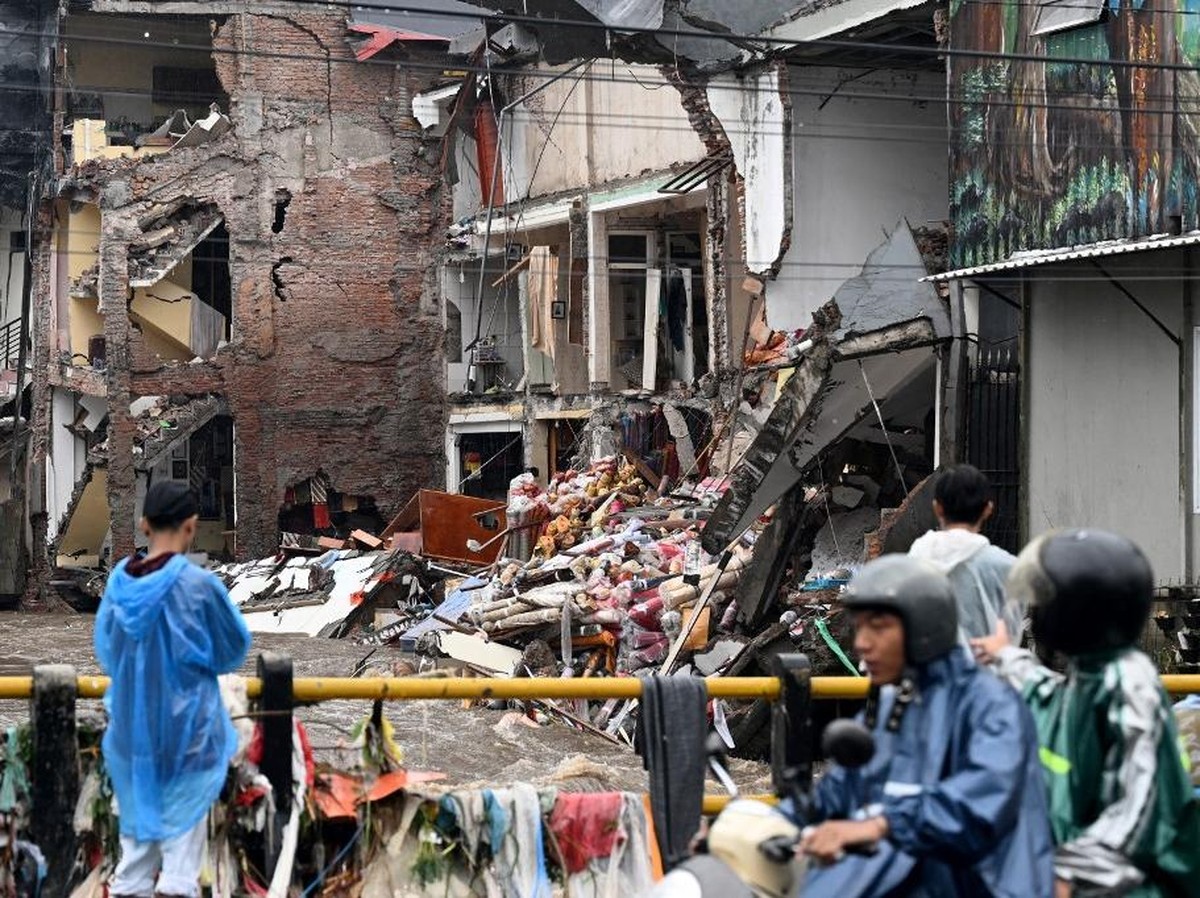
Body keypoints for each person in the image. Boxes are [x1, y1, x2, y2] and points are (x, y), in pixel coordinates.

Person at [797, 555, 1055, 897]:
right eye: (859, 627)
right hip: (911, 878)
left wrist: (878, 826)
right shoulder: (893, 702)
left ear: (923, 628)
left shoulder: (990, 705)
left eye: (878, 626)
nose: (861, 643)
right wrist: (771, 821)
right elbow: (846, 785)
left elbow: (977, 804)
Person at [972, 530, 1200, 898]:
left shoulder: (1128, 683)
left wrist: (1062, 876)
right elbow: (1043, 691)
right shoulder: (1084, 678)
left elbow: (1136, 815)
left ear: (1073, 612)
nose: (1037, 615)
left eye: (1043, 604)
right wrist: (1002, 654)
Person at [95, 481, 251, 898]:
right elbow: (232, 649)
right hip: (191, 734)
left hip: (132, 734)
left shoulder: (117, 584)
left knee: (133, 864)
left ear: (144, 525)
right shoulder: (200, 586)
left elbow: (107, 652)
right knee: (181, 869)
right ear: (191, 527)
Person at [908, 463, 1023, 646]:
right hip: (986, 671)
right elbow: (1012, 634)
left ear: (937, 508)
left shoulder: (916, 556)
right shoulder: (1007, 566)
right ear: (988, 509)